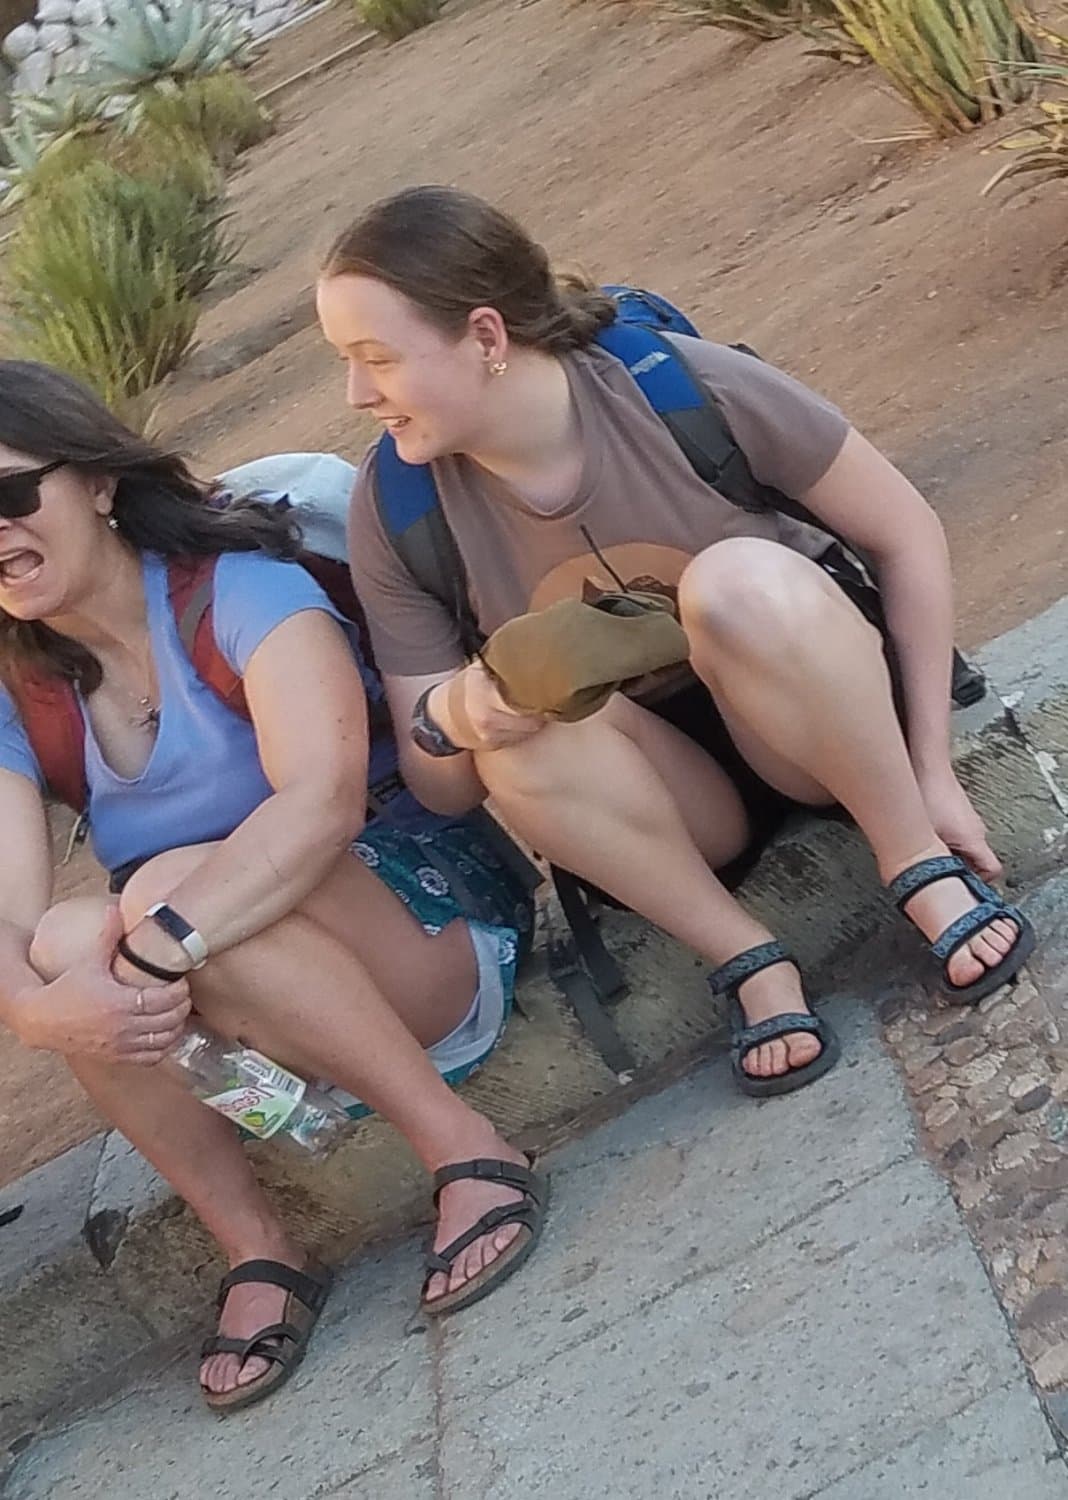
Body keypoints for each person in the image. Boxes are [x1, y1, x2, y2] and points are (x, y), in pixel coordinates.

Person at [318, 184, 1034, 1100]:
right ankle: (747, 957)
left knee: (736, 580)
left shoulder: (672, 385)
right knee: (516, 733)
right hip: (668, 794)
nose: (356, 394)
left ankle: (913, 859)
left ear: (486, 335)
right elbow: (442, 786)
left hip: (809, 709)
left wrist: (932, 772)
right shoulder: (399, 507)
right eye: (346, 362)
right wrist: (457, 716)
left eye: (377, 359)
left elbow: (906, 534)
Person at [0, 363, 545, 1415]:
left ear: (99, 482)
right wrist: (37, 1006)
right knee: (64, 948)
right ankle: (259, 1246)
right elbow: (7, 913)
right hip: (244, 1014)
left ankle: (466, 1146)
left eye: (11, 493)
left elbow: (324, 802)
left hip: (424, 926)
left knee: (161, 893)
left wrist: (157, 941)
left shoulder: (236, 588)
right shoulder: (20, 687)